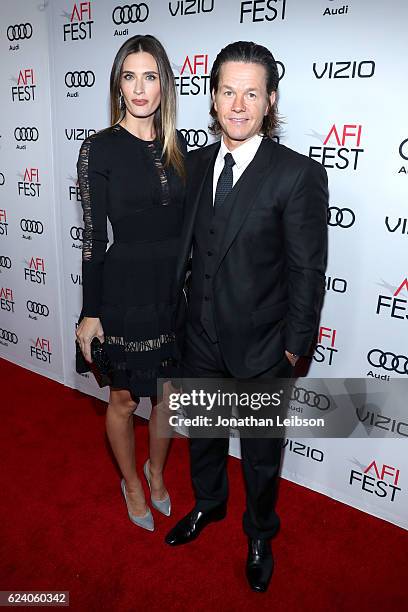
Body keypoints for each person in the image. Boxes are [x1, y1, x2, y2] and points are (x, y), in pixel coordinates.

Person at [165, 41, 328, 592]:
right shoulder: (198, 162)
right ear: (212, 97)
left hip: (263, 346)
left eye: (251, 93)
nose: (238, 104)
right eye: (228, 91)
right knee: (203, 438)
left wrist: (294, 346)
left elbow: (308, 269)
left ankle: (260, 532)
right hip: (200, 337)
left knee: (261, 457)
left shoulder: (296, 174)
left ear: (270, 100)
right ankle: (208, 504)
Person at [75, 35, 187, 532]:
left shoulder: (181, 148)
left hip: (171, 292)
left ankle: (156, 472)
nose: (140, 88)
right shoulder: (99, 148)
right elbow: (94, 239)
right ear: (118, 84)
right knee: (124, 399)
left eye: (151, 76)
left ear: (164, 83)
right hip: (124, 290)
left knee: (166, 394)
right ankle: (132, 483)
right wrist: (89, 311)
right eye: (129, 76)